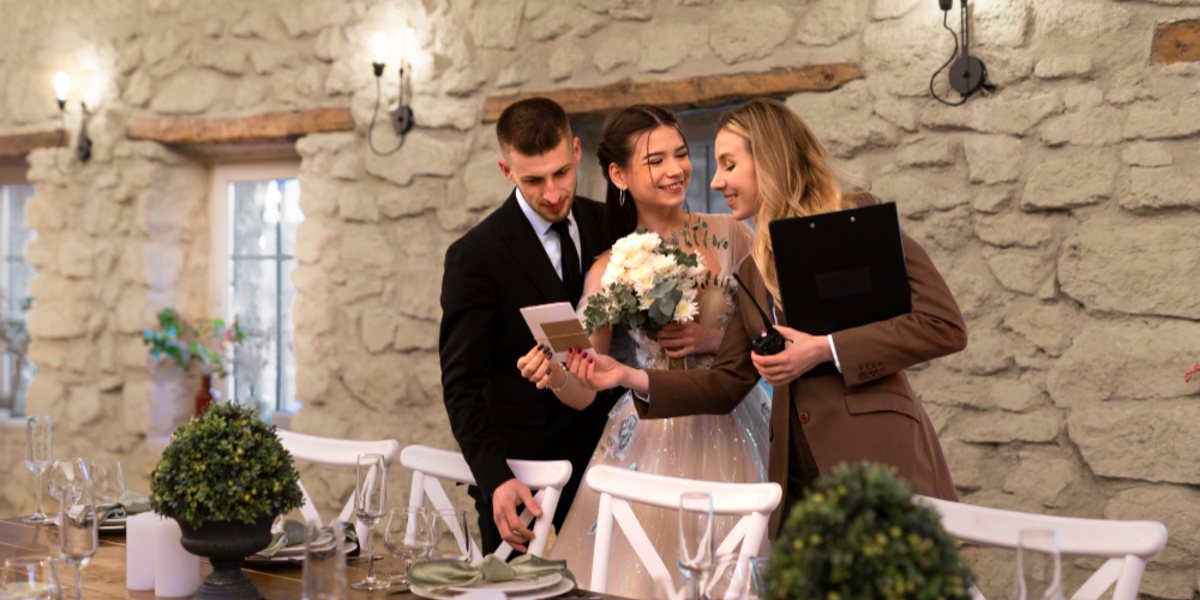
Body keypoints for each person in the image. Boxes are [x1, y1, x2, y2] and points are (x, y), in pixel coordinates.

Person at [565, 97, 966, 536]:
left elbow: (942, 324)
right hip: (794, 476)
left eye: (729, 165)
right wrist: (626, 375)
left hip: (876, 457)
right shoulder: (752, 269)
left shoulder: (852, 215)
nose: (715, 181)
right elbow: (724, 383)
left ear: (768, 160)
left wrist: (822, 349)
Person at [516, 105, 770, 596]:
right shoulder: (609, 266)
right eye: (656, 160)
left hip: (736, 419)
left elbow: (774, 331)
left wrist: (716, 340)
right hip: (650, 437)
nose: (675, 169)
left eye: (679, 154)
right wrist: (556, 374)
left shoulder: (731, 234)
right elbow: (586, 388)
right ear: (619, 174)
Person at [439, 97, 617, 555]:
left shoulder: (611, 224)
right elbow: (462, 384)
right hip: (522, 477)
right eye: (533, 180)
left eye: (561, 172)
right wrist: (496, 478)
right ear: (506, 170)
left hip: (611, 463)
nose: (553, 191)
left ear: (576, 150)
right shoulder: (475, 256)